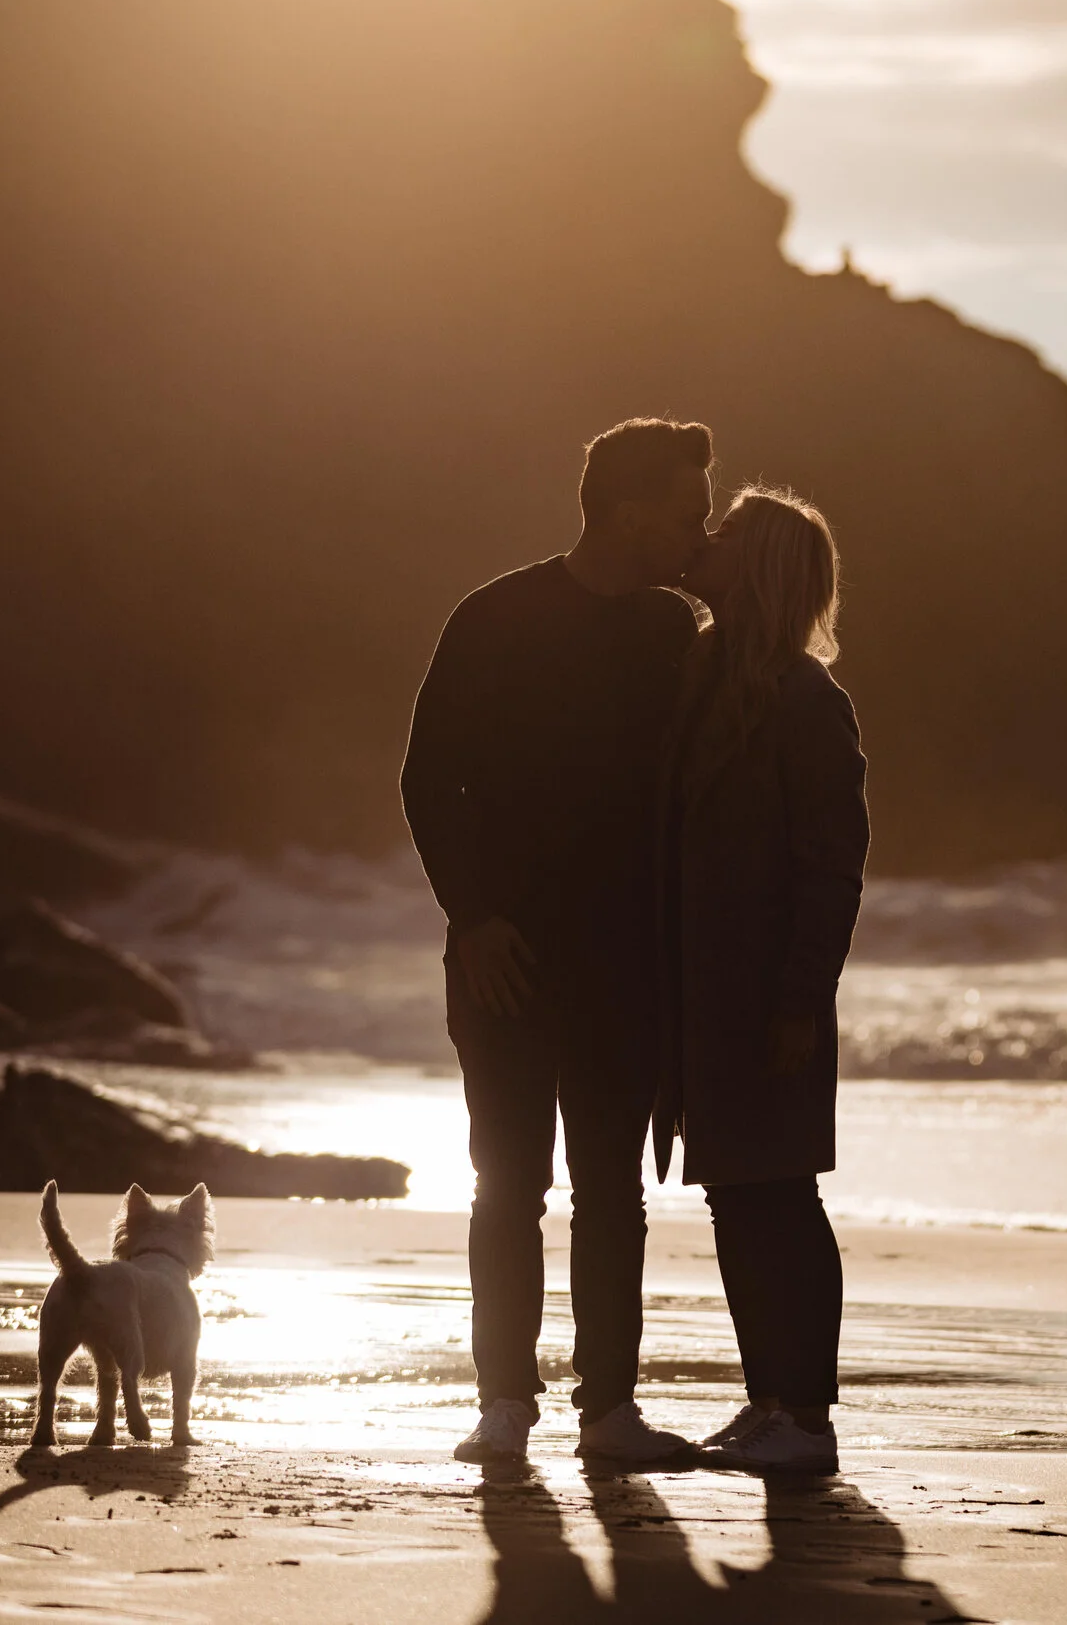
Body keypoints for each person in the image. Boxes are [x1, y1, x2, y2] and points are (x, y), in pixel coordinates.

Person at [401, 418, 713, 1467]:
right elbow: (426, 777)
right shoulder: (498, 616)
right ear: (626, 512)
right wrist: (474, 917)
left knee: (611, 1190)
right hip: (507, 958)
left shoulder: (679, 632)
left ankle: (608, 1410)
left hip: (627, 963)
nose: (698, 527)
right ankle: (504, 1406)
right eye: (684, 507)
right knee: (509, 1184)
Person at [659, 486, 867, 1476]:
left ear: (768, 566)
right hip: (704, 989)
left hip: (769, 995)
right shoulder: (702, 677)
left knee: (781, 1193)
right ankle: (767, 1398)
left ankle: (808, 1414)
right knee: (734, 1195)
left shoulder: (804, 698)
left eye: (729, 534)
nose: (708, 540)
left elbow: (832, 865)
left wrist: (796, 1000)